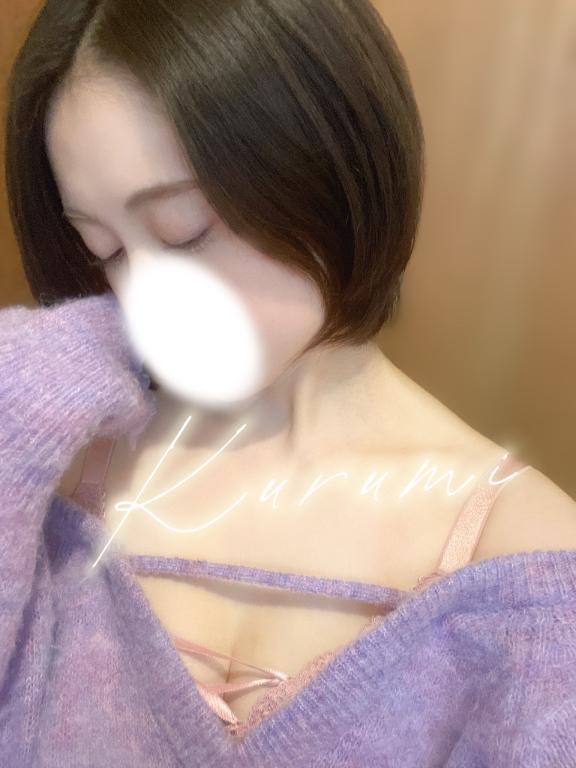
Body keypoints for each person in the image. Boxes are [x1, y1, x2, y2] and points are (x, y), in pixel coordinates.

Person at [2, 0, 576, 764]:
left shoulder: (531, 573)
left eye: (184, 230)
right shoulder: (52, 471)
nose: (147, 298)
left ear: (326, 154)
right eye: (104, 248)